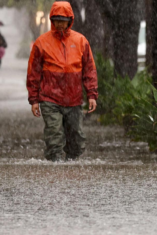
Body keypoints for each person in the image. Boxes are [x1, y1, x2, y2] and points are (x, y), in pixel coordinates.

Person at [26, 1, 98, 162]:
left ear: (70, 20)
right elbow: (33, 73)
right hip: (49, 99)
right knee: (54, 138)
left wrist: (92, 94)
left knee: (76, 141)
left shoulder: (81, 41)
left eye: (63, 20)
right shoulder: (41, 43)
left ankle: (71, 169)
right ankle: (55, 170)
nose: (60, 24)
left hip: (74, 99)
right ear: (52, 20)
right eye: (57, 20)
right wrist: (34, 100)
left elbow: (89, 69)